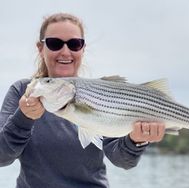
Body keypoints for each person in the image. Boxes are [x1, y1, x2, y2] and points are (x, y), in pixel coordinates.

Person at [0, 13, 165, 188]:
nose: (65, 52)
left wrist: (137, 140)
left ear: (82, 49)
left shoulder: (101, 94)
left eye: (74, 44)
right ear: (41, 48)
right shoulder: (22, 92)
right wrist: (23, 118)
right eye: (54, 44)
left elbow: (122, 161)